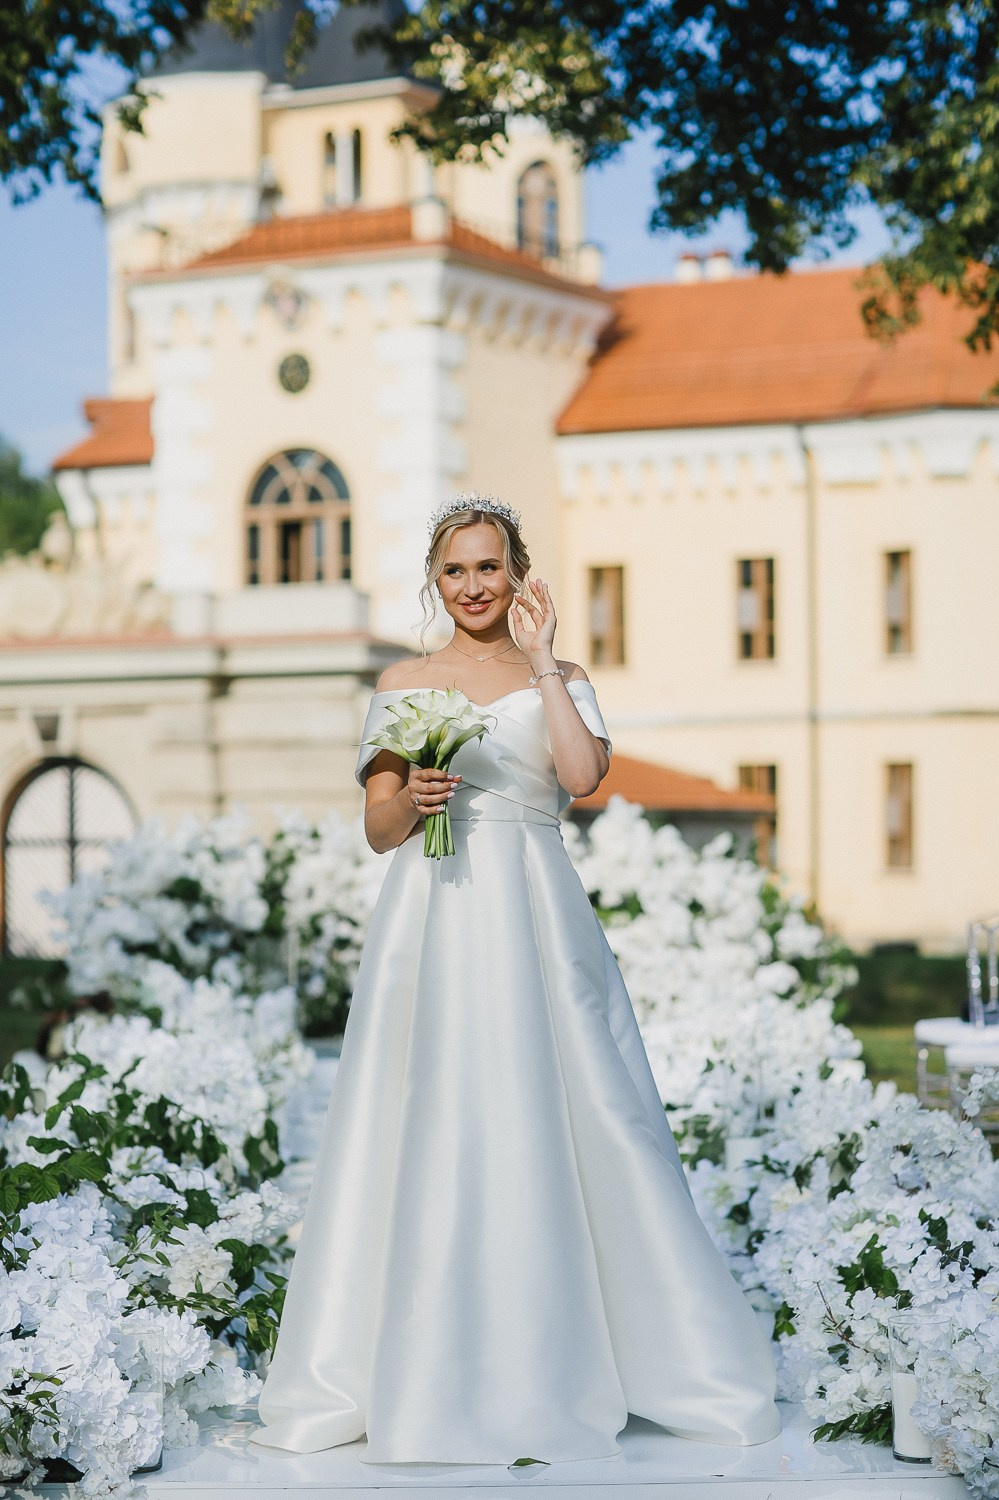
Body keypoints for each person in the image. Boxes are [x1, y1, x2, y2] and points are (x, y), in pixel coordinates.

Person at [252, 493, 781, 1464]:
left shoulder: (562, 675)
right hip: (435, 915)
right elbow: (375, 831)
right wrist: (407, 796)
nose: (471, 586)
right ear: (434, 578)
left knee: (581, 1114)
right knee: (432, 1119)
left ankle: (596, 1359)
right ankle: (418, 1372)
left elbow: (581, 779)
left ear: (517, 572)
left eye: (488, 567)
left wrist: (543, 664)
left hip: (537, 914)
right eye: (454, 570)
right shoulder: (405, 682)